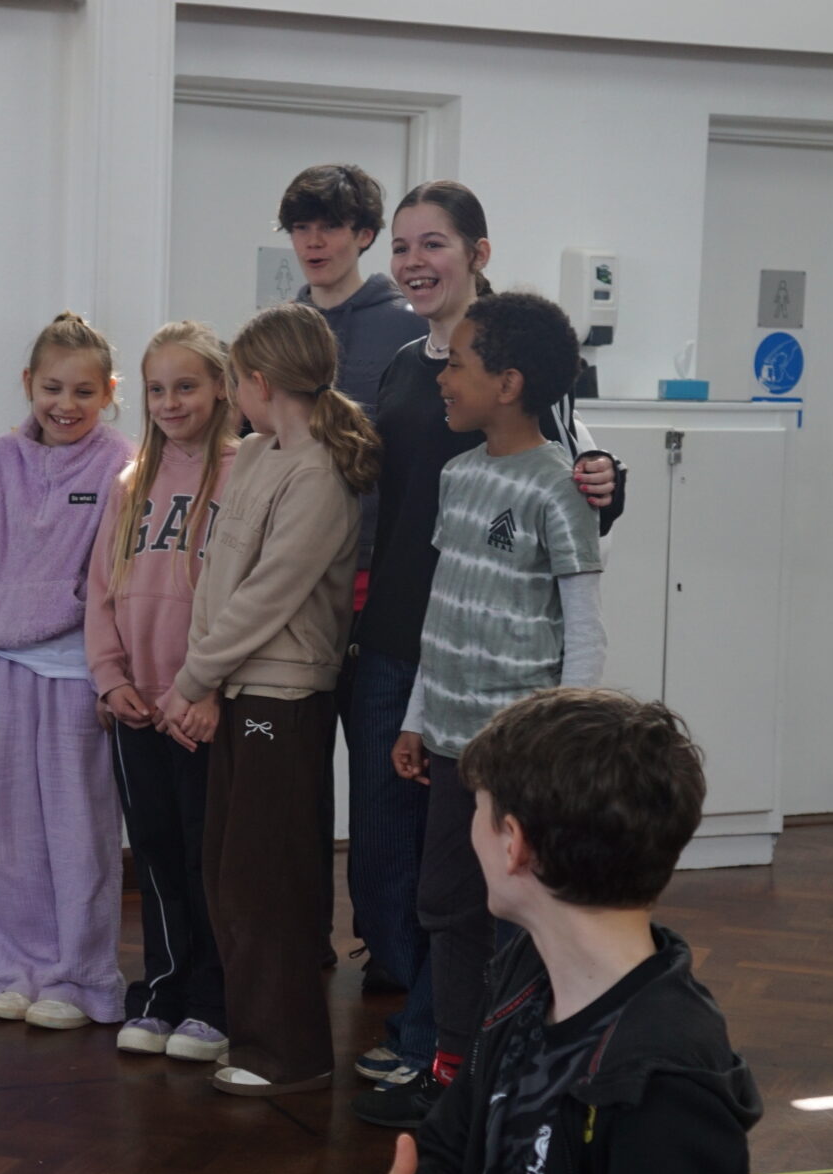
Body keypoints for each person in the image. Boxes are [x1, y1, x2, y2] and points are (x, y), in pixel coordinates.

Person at [349, 182, 623, 1124]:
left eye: (433, 242)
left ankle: (495, 1068)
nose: (413, 261)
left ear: (476, 252)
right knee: (430, 887)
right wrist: (419, 712)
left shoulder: (542, 431)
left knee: (510, 905)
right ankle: (445, 1056)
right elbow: (426, 574)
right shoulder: (413, 385)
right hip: (431, 688)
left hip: (516, 730)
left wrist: (569, 732)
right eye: (402, 246)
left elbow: (580, 589)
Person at [347, 687, 763, 1174]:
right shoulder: (526, 971)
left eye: (477, 810)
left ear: (514, 844)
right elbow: (450, 1150)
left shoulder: (663, 1085)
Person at [159, 302, 379, 1095]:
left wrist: (193, 679)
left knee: (266, 879)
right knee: (229, 873)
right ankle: (253, 1037)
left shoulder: (319, 473)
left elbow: (268, 595)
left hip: (283, 700)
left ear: (257, 381)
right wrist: (208, 680)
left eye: (230, 382)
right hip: (238, 688)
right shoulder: (254, 454)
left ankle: (289, 1053)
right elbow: (219, 579)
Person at [0, 311, 134, 1031]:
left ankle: (81, 980)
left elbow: (123, 581)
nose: (65, 405)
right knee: (5, 837)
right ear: (28, 384)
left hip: (80, 679)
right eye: (52, 388)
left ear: (109, 392)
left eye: (84, 391)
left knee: (79, 837)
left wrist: (114, 676)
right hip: (5, 677)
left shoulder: (122, 464)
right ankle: (18, 970)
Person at [281, 163, 428, 984]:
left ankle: (388, 950)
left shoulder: (406, 329)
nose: (314, 241)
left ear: (364, 235)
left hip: (380, 594)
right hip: (296, 597)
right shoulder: (280, 330)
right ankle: (300, 937)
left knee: (381, 790)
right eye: (301, 227)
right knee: (293, 784)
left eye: (330, 226)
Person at [85, 320, 238, 1062]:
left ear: (221, 388)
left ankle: (213, 1002)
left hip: (200, 707)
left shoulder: (245, 473)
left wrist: (203, 687)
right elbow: (100, 591)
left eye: (186, 386)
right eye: (157, 389)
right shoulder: (131, 481)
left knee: (208, 859)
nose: (171, 402)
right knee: (154, 854)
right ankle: (163, 992)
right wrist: (109, 678)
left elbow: (242, 597)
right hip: (138, 708)